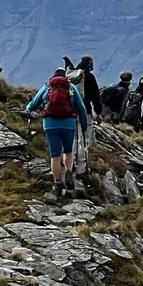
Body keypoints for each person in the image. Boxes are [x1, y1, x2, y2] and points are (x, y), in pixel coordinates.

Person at [25, 66, 91, 197]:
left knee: (55, 155)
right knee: (68, 151)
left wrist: (27, 110)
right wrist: (84, 126)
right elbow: (81, 108)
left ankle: (57, 183)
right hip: (68, 124)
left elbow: (33, 104)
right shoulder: (71, 88)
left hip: (50, 125)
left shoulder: (47, 87)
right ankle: (68, 171)